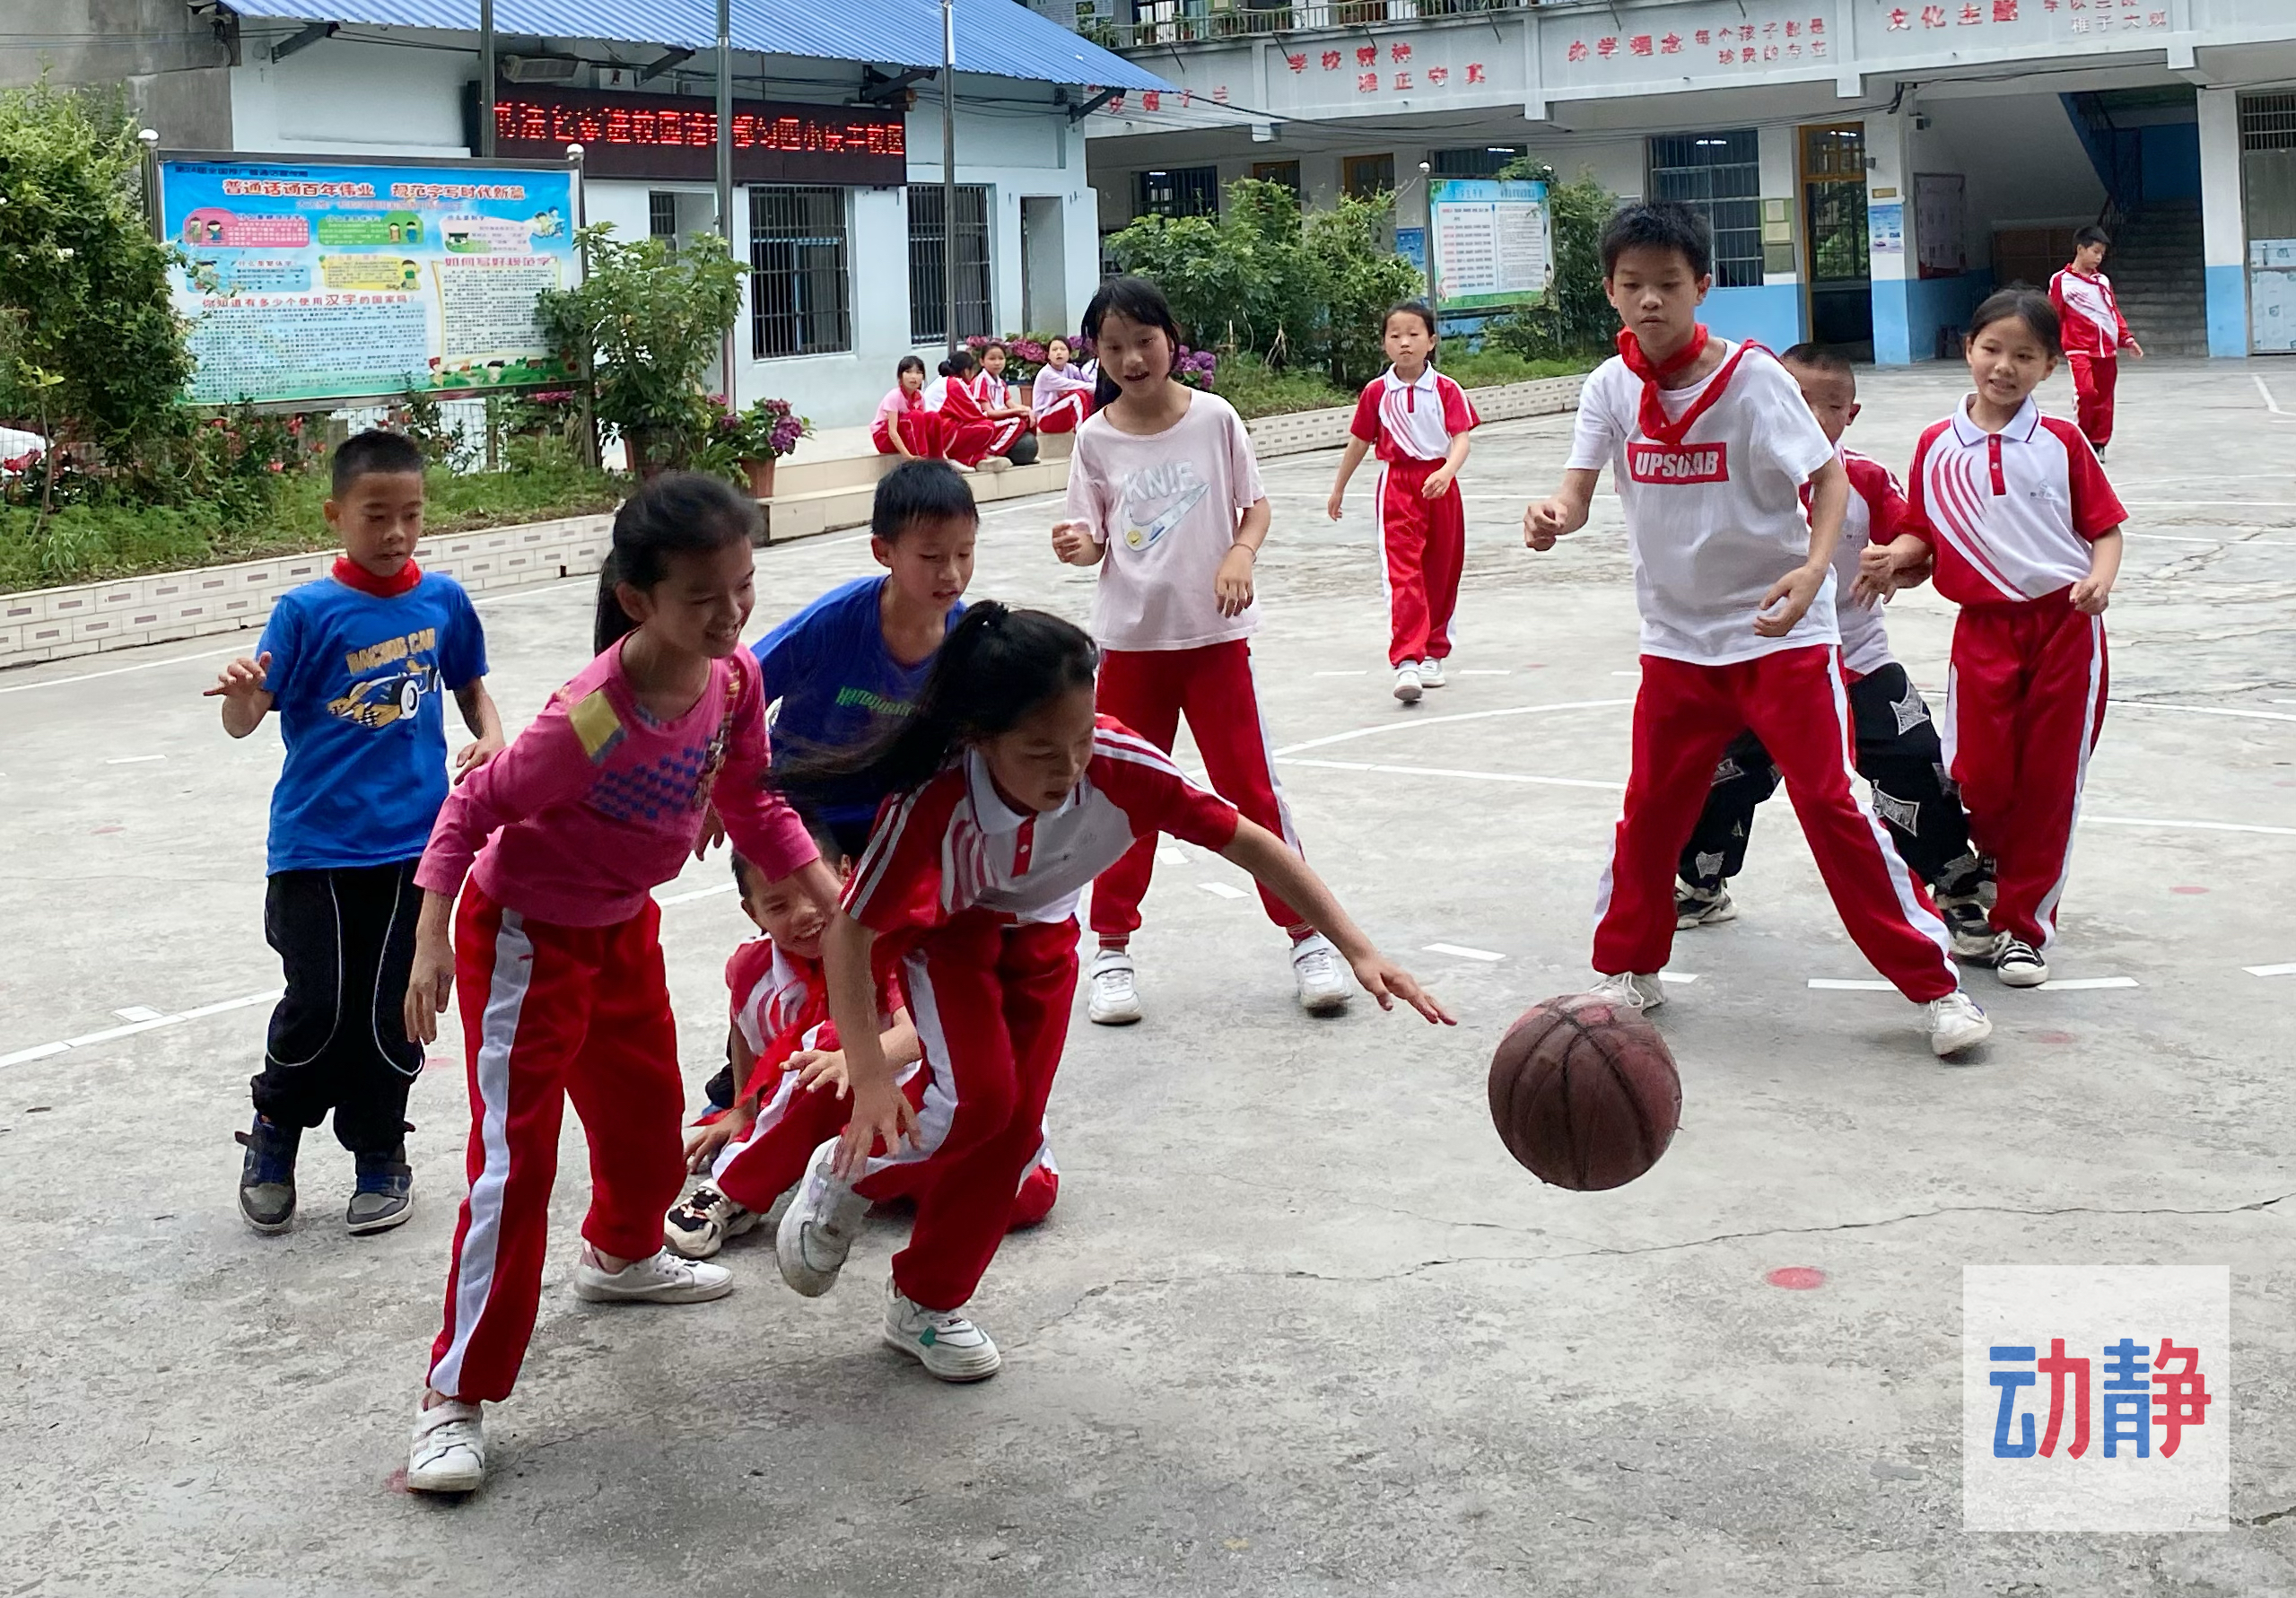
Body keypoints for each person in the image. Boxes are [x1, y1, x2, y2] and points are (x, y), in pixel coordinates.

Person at [769, 604, 1454, 1382]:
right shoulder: (931, 800)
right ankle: (846, 1172)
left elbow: (1252, 840)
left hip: (1045, 938)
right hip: (949, 934)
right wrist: (865, 1075)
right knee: (979, 1101)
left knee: (1015, 1130)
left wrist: (1356, 947)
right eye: (1040, 752)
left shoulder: (1122, 766)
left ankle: (925, 1302)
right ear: (977, 738)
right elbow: (851, 934)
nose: (1068, 769)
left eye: (1082, 739)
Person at [397, 472, 842, 1496]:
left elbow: (753, 797)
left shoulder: (731, 682)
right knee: (516, 1163)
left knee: (647, 1125)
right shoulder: (594, 716)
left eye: (744, 586)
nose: (732, 613)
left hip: (621, 929)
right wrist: (428, 934)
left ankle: (623, 1255)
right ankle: (452, 1392)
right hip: (526, 938)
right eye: (705, 596)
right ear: (638, 599)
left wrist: (827, 887)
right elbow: (474, 809)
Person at [1521, 201, 1993, 1061]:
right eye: (1633, 286)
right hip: (1675, 642)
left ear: (1702, 286)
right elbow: (1579, 495)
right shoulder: (1607, 388)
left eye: (1668, 284)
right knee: (1652, 809)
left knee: (1828, 802)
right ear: (1610, 291)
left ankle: (1936, 987)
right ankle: (1629, 965)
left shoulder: (1751, 379)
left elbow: (1829, 478)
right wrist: (1552, 515)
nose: (1650, 302)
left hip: (1779, 637)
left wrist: (1814, 569)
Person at [206, 428, 503, 1238]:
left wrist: (493, 736)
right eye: (377, 515)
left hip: (415, 848)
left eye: (411, 514)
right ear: (338, 514)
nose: (397, 532)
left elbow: (473, 690)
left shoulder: (442, 600)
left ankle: (380, 1151)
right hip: (314, 848)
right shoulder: (305, 611)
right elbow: (245, 721)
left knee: (392, 1010)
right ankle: (275, 1134)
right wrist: (241, 690)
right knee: (319, 1003)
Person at [1052, 275, 1350, 1027]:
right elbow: (1090, 539)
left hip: (1214, 643)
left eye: (1142, 341)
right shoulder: (1095, 438)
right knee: (1122, 799)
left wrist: (1240, 554)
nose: (1130, 358)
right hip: (1128, 648)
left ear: (1171, 341)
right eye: (1112, 346)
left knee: (1250, 790)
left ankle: (1305, 936)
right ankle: (1112, 952)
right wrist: (1078, 545)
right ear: (1096, 354)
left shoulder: (1214, 419)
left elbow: (1255, 505)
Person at [1668, 344, 1995, 957]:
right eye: (1797, 401)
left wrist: (1895, 557)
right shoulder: (1730, 475)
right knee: (1721, 775)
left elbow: (1917, 539)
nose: (1813, 417)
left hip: (1856, 658)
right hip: (1759, 662)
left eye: (1830, 406)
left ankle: (1956, 886)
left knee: (1914, 759)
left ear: (1852, 414)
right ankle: (1700, 881)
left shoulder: (1864, 478)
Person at [1860, 288, 2126, 990]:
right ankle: (1997, 876)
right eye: (1991, 349)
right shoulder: (1935, 445)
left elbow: (2104, 528)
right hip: (1980, 631)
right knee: (1976, 772)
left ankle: (2021, 927)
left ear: (2048, 367)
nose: (2003, 367)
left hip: (2064, 630)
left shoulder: (2061, 442)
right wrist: (1897, 555)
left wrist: (2099, 579)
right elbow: (1922, 528)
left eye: (2023, 356)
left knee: (2047, 784)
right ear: (1966, 349)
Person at [665, 844, 1058, 1259]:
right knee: (822, 1054)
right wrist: (743, 1108)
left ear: (846, 872)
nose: (804, 913)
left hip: (918, 1109)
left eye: (812, 890)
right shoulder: (753, 965)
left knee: (1027, 1195)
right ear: (753, 914)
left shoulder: (890, 944)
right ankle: (731, 1191)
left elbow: (918, 1034)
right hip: (843, 1100)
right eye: (778, 905)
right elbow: (743, 1028)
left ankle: (838, 1169)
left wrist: (856, 1060)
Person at [753, 459, 977, 860]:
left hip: (897, 818)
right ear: (882, 551)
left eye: (964, 553)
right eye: (931, 557)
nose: (952, 574)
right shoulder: (834, 621)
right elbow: (740, 686)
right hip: (805, 811)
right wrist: (723, 788)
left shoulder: (970, 642)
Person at [1325, 300, 1480, 703]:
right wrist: (1339, 486)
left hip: (1440, 486)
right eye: (1395, 336)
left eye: (1414, 335)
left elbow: (1461, 438)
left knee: (1442, 571)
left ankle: (1434, 653)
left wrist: (1446, 472)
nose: (1405, 343)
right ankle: (1407, 660)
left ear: (1431, 341)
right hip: (1397, 487)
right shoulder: (1376, 393)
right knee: (1403, 575)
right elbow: (1359, 441)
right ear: (1385, 344)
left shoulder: (1447, 390)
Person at [2048, 226, 2143, 455]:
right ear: (2080, 249)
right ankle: (2082, 437)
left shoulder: (2103, 282)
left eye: (2102, 254)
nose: (2099, 258)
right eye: (2095, 251)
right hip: (2079, 349)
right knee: (2087, 393)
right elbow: (2053, 312)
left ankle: (2098, 443)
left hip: (2107, 350)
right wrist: (2048, 343)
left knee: (2105, 398)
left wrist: (2126, 338)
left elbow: (2113, 312)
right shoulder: (2061, 280)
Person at [930, 349, 1033, 472]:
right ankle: (988, 455)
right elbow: (978, 412)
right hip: (942, 435)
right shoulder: (957, 383)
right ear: (967, 370)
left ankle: (971, 459)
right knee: (988, 427)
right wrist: (1011, 413)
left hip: (942, 432)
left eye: (1000, 358)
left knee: (1017, 420)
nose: (997, 363)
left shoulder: (942, 382)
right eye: (992, 359)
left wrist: (1021, 410)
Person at [870, 354, 947, 461]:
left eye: (918, 372)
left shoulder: (920, 396)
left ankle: (938, 460)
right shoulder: (894, 396)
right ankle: (921, 458)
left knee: (932, 417)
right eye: (908, 372)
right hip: (884, 437)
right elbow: (892, 431)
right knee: (916, 416)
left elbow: (923, 426)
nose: (913, 376)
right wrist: (908, 456)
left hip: (906, 434)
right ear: (900, 376)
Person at [1030, 335, 1096, 434]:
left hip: (1060, 415)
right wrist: (1095, 388)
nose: (1059, 352)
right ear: (1048, 355)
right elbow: (1072, 384)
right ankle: (1082, 434)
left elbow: (1089, 379)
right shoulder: (1046, 374)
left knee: (1087, 394)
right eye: (1054, 350)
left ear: (1069, 354)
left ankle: (1091, 428)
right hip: (1045, 419)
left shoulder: (1070, 368)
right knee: (1077, 396)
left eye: (1063, 349)